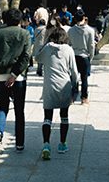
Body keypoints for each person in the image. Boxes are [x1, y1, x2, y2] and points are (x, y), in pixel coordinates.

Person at [0, 8, 32, 154]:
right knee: (19, 111)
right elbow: (26, 56)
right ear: (19, 20)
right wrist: (14, 74)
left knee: (3, 107)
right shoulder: (24, 33)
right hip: (18, 76)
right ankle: (19, 144)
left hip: (1, 75)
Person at [33, 28, 79, 160]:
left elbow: (37, 58)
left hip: (49, 86)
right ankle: (62, 144)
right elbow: (74, 71)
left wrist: (46, 44)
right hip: (64, 85)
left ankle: (46, 144)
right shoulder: (69, 49)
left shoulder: (47, 48)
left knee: (47, 117)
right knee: (64, 115)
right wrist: (75, 85)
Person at [67, 10, 95, 104]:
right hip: (84, 56)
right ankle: (84, 98)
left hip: (74, 55)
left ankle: (71, 97)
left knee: (73, 78)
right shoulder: (90, 31)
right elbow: (91, 46)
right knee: (84, 78)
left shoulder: (70, 30)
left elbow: (68, 43)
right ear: (84, 18)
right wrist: (91, 57)